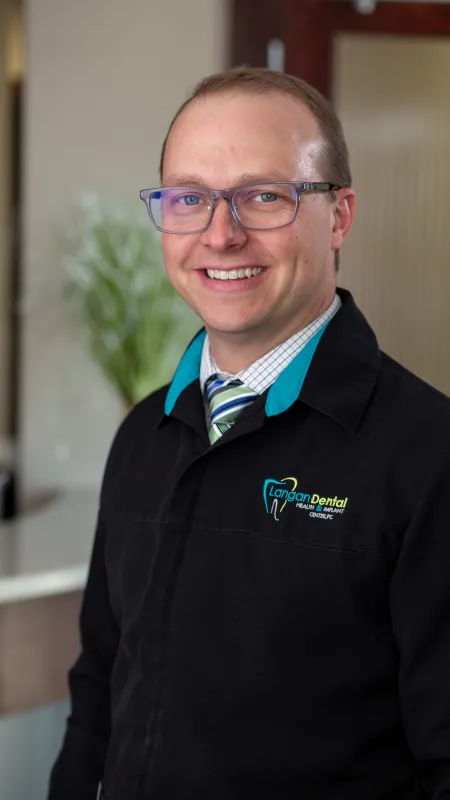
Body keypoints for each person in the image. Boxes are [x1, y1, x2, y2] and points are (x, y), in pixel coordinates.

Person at [48, 67, 450, 800]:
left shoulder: (429, 457)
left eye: (264, 196)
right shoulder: (142, 435)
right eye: (189, 198)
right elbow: (101, 686)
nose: (221, 235)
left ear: (339, 216)